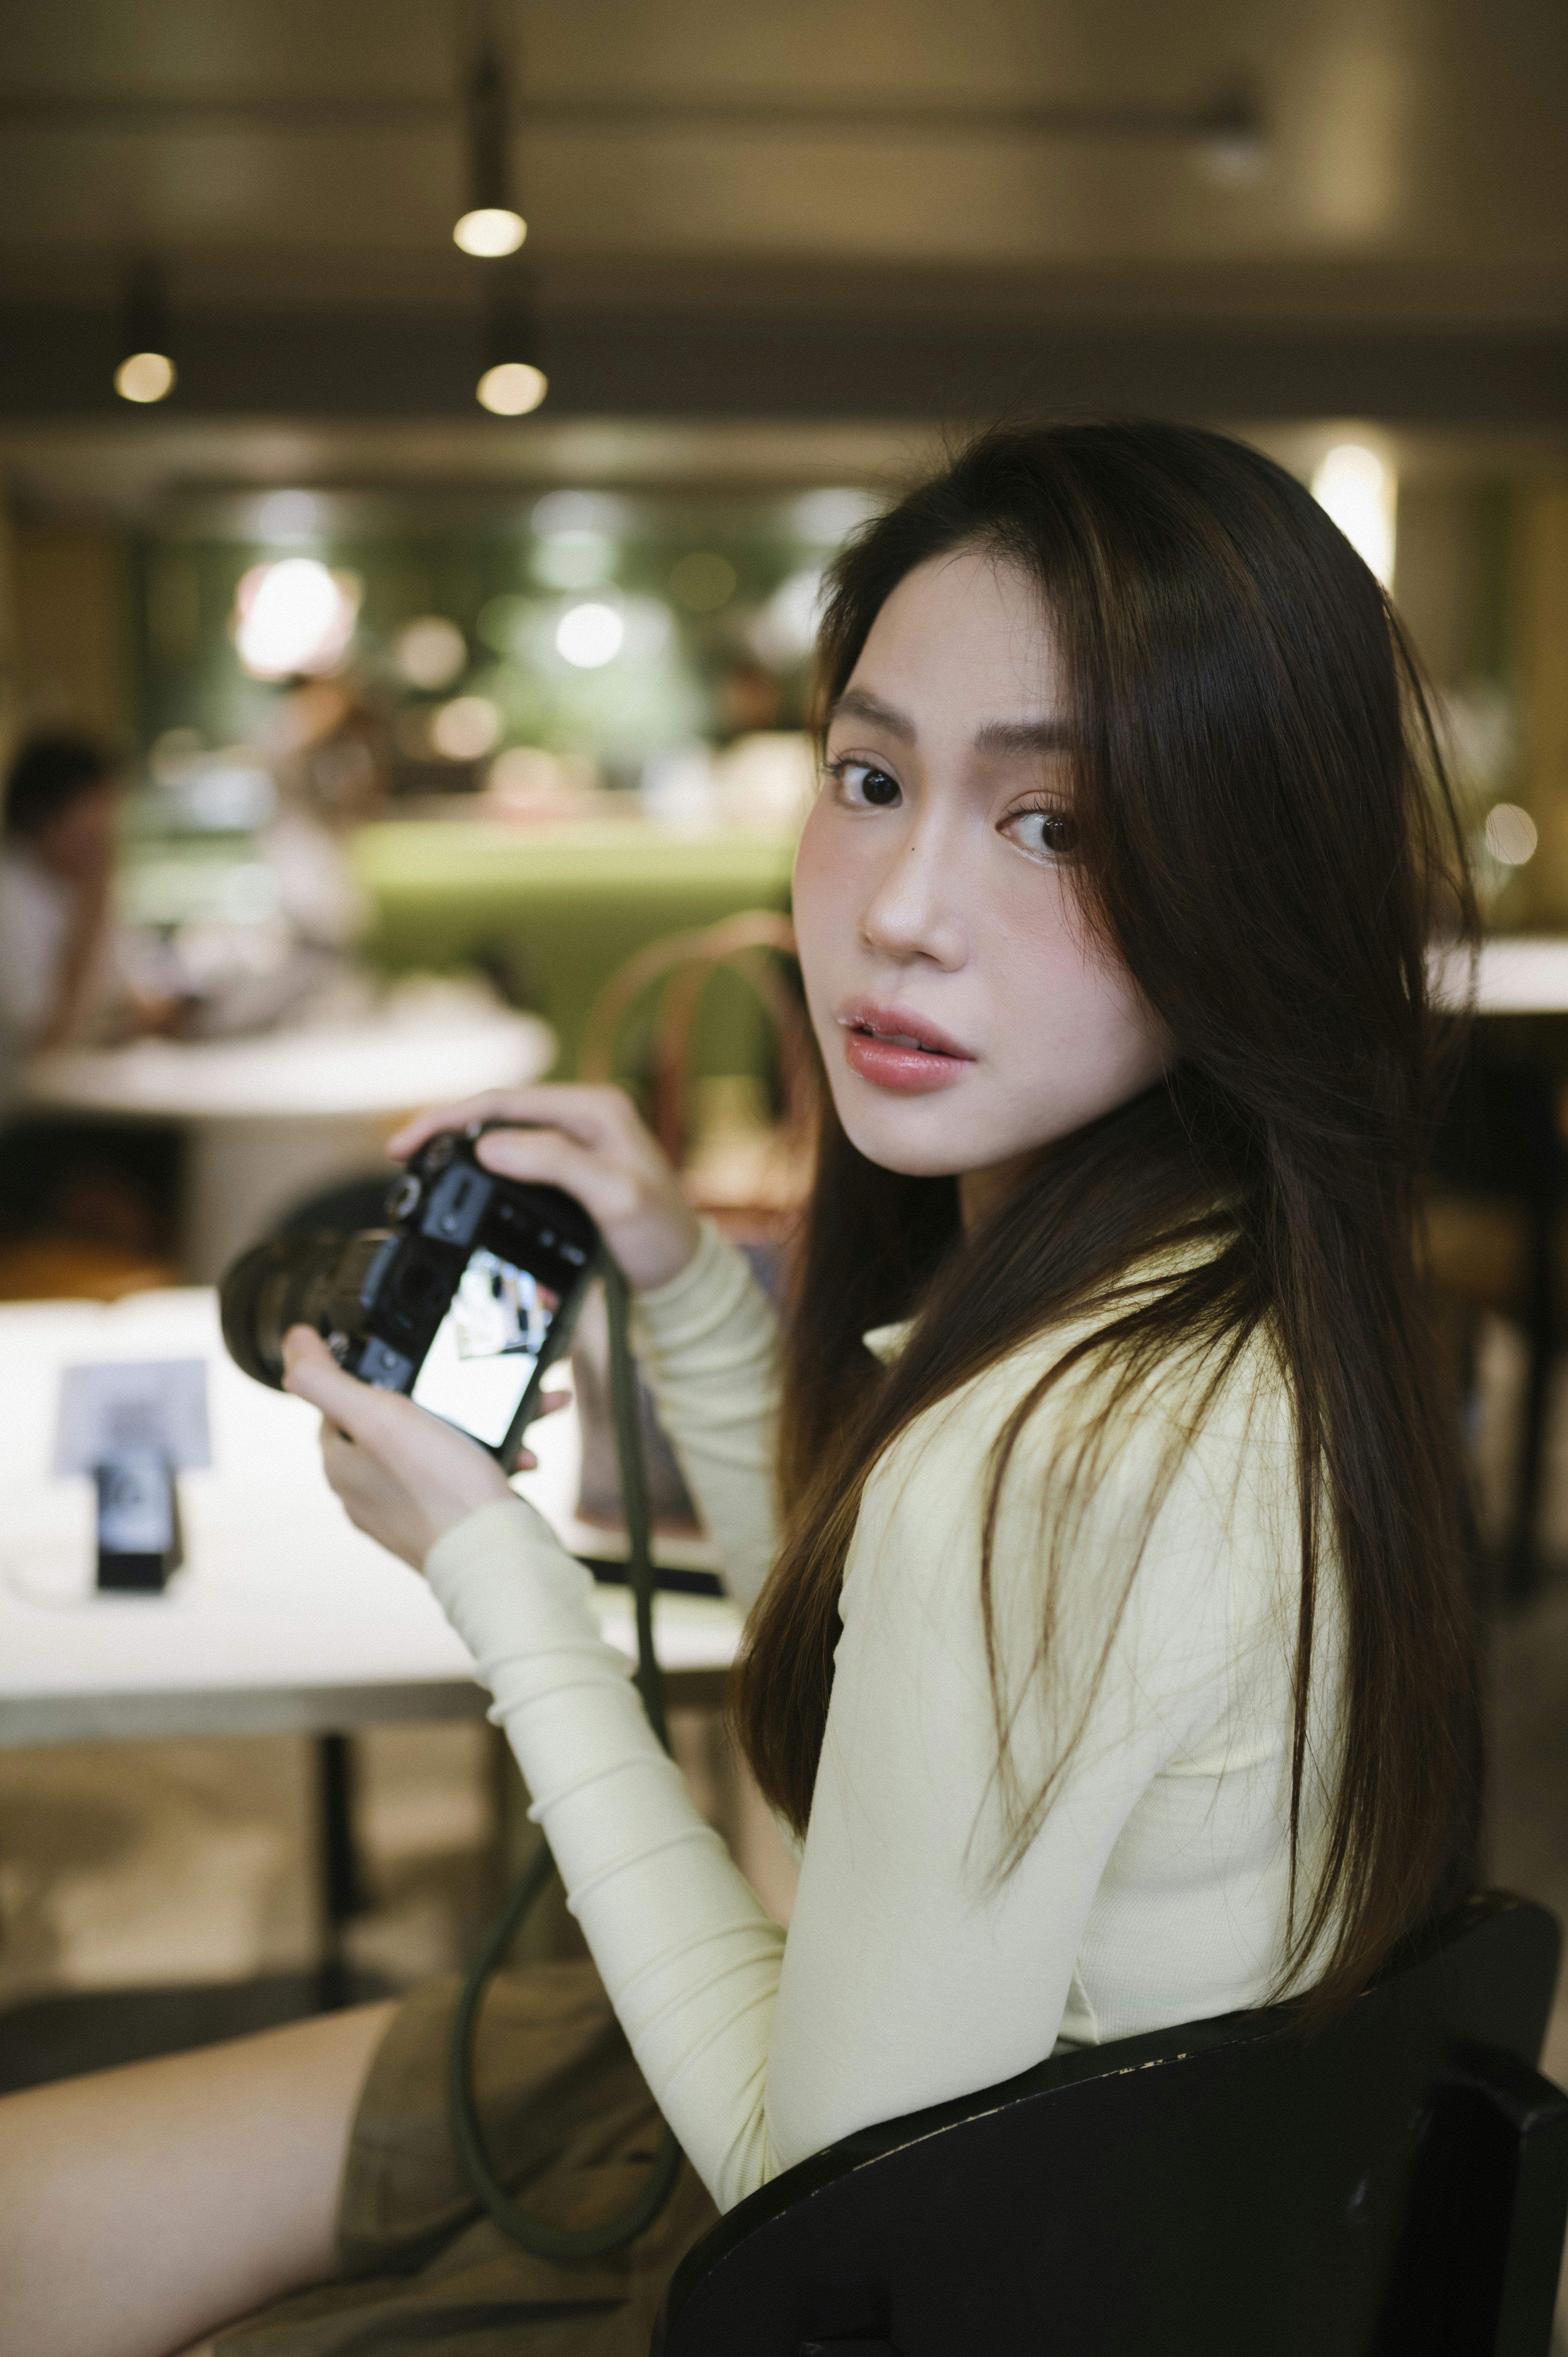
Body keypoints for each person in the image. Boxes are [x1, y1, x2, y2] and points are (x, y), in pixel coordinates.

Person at [0, 422, 1480, 2357]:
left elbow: (813, 2195)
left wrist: (496, 1567)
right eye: (869, 778)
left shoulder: (1049, 1451)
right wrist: (688, 1284)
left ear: (1248, 864)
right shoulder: (1219, 1301)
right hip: (975, 2139)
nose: (899, 904)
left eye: (1057, 822)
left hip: (848, 2232)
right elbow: (893, 1713)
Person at [0, 731, 181, 1255]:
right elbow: (49, 1046)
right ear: (42, 820)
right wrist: (93, 906)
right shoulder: (13, 899)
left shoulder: (81, 884)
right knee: (134, 1205)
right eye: (92, 827)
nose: (104, 843)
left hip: (89, 1117)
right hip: (23, 1130)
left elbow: (129, 991)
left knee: (188, 1161)